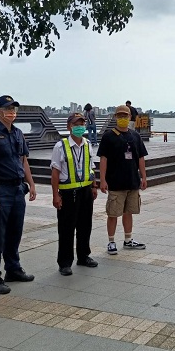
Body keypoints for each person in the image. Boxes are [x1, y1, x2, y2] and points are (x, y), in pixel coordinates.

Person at [0, 95, 37, 294]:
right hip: (0, 189)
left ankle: (13, 268)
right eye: (7, 108)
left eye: (14, 109)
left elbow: (23, 160)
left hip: (17, 189)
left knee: (15, 232)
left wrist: (31, 183)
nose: (12, 112)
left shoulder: (18, 133)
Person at [51, 113, 99, 276]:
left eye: (82, 123)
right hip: (67, 192)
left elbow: (91, 167)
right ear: (69, 126)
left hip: (85, 191)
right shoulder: (60, 146)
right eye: (76, 123)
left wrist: (94, 186)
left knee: (85, 225)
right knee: (66, 228)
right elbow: (55, 172)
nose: (80, 126)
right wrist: (55, 195)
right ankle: (64, 262)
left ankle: (84, 256)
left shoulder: (87, 144)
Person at [97, 104, 148, 254]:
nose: (122, 118)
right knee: (113, 213)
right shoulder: (108, 136)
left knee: (129, 212)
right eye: (119, 116)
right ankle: (111, 241)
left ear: (130, 117)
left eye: (125, 116)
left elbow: (141, 158)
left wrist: (143, 177)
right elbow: (103, 159)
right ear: (115, 117)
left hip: (132, 181)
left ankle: (128, 240)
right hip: (115, 182)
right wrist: (103, 179)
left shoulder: (135, 136)